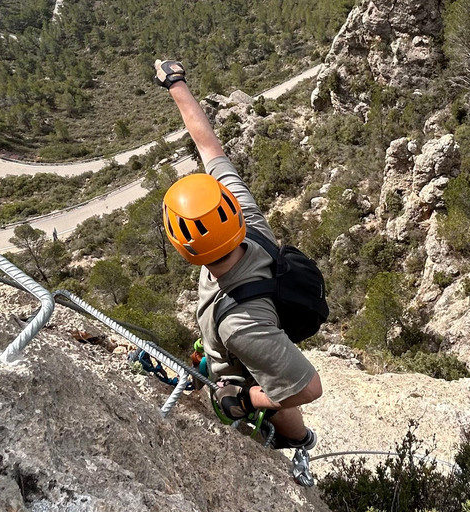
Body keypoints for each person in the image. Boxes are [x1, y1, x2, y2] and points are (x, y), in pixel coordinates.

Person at [154, 59, 322, 450]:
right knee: (261, 369)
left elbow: (308, 386)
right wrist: (175, 83)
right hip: (261, 316)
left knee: (267, 384)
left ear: (185, 249)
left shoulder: (240, 326)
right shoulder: (245, 217)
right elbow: (207, 143)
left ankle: (297, 440)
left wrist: (247, 399)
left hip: (248, 349)